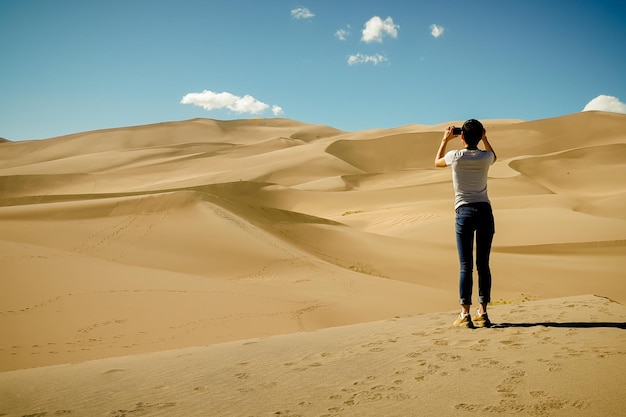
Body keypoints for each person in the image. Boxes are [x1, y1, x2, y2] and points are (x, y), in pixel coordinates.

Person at [434, 119, 496, 328]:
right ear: (480, 135)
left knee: (465, 266)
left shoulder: (455, 156)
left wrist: (444, 139)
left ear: (461, 137)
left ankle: (464, 313)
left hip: (464, 212)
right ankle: (483, 313)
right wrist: (485, 138)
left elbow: (437, 161)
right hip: (485, 211)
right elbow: (494, 155)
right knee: (483, 264)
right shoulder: (486, 157)